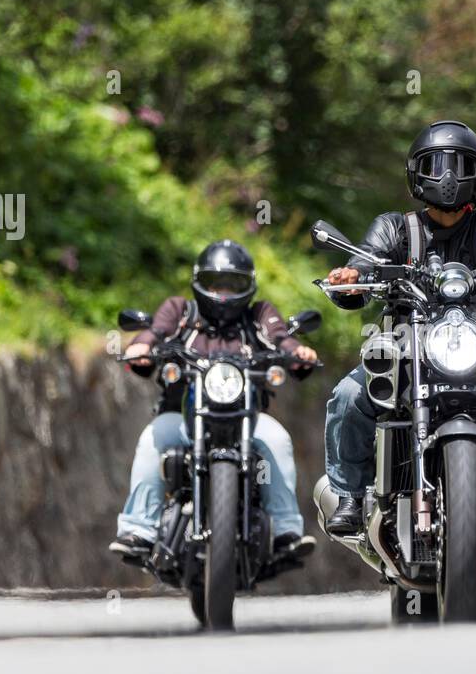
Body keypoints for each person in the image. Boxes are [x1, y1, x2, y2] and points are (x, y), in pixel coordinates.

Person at [321, 120, 476, 540]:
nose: (448, 177)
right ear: (418, 173)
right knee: (349, 395)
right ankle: (348, 494)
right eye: (436, 165)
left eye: (459, 165)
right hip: (407, 347)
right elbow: (363, 268)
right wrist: (350, 279)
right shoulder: (394, 228)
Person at [109, 239, 319, 562]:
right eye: (214, 283)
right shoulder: (180, 312)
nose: (222, 292)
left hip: (248, 420)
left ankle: (285, 532)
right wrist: (141, 346)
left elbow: (280, 337)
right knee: (153, 439)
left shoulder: (258, 315)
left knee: (277, 439)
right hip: (183, 419)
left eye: (231, 284)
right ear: (199, 283)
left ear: (247, 286)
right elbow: (156, 332)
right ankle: (139, 529)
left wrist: (297, 352)